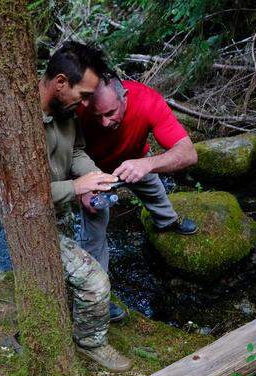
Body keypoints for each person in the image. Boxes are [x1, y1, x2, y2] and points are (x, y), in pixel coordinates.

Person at [0, 42, 131, 372]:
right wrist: (76, 187)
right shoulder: (15, 123)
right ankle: (91, 343)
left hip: (56, 206)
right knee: (94, 281)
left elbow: (77, 152)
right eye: (83, 95)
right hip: (25, 219)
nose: (85, 104)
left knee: (62, 278)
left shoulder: (66, 113)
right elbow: (18, 197)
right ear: (61, 82)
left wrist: (96, 177)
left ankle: (53, 324)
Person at [76, 77, 199, 322]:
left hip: (133, 160)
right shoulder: (78, 107)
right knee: (94, 231)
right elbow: (68, 151)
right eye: (97, 115)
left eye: (110, 113)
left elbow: (188, 154)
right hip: (91, 171)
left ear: (125, 98)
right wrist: (81, 186)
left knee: (154, 189)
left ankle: (166, 221)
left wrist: (147, 164)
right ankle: (96, 297)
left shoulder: (147, 101)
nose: (104, 122)